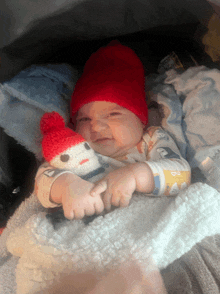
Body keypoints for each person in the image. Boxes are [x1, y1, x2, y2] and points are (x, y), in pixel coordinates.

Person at [34, 40, 191, 220]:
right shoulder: (76, 150)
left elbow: (182, 175)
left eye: (113, 114)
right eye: (84, 119)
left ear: (141, 121)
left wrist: (135, 175)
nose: (97, 126)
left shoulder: (152, 140)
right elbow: (43, 179)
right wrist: (67, 186)